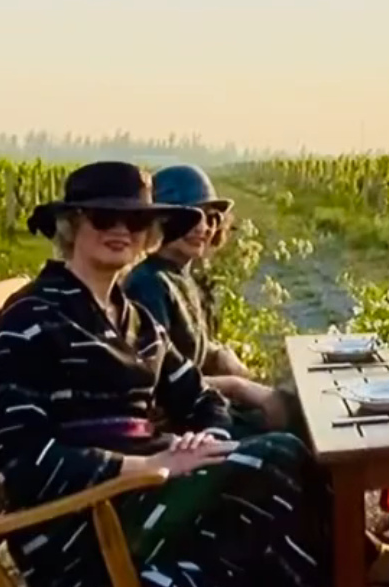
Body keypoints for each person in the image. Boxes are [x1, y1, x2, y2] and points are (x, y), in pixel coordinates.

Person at [0, 162, 389, 587]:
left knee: (279, 463)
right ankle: (356, 565)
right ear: (71, 224)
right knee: (275, 464)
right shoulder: (29, 321)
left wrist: (208, 438)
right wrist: (147, 466)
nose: (121, 230)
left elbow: (199, 397)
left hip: (143, 497)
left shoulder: (132, 319)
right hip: (85, 528)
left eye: (136, 220)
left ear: (149, 233)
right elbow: (21, 461)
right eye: (104, 217)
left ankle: (350, 567)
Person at [123, 164, 291, 435]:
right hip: (182, 428)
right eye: (191, 217)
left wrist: (218, 354)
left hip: (202, 408)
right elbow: (161, 386)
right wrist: (238, 387)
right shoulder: (149, 286)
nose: (203, 228)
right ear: (162, 221)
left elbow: (187, 342)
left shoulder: (181, 276)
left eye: (211, 218)